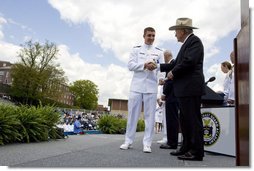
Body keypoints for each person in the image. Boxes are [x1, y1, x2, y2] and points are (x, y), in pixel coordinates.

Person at [160, 18, 205, 161]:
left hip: (190, 88)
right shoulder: (187, 44)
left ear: (183, 31)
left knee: (192, 120)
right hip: (184, 89)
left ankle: (196, 151)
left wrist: (173, 72)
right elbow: (177, 64)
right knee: (185, 121)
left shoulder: (195, 41)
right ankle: (186, 147)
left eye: (176, 31)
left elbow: (189, 62)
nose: (175, 34)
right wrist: (158, 66)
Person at [120, 27, 164, 153]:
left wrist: (159, 76)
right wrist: (144, 65)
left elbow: (161, 69)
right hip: (136, 86)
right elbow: (130, 65)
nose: (151, 38)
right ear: (143, 36)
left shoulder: (159, 52)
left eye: (153, 36)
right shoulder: (136, 50)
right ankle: (128, 141)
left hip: (151, 86)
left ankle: (147, 144)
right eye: (149, 35)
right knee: (133, 115)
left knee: (150, 117)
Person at [159, 50, 180, 150]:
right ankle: (171, 141)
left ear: (166, 56)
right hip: (173, 96)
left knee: (172, 120)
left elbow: (171, 81)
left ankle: (172, 142)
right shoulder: (173, 64)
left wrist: (164, 93)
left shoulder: (172, 64)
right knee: (172, 119)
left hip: (172, 96)